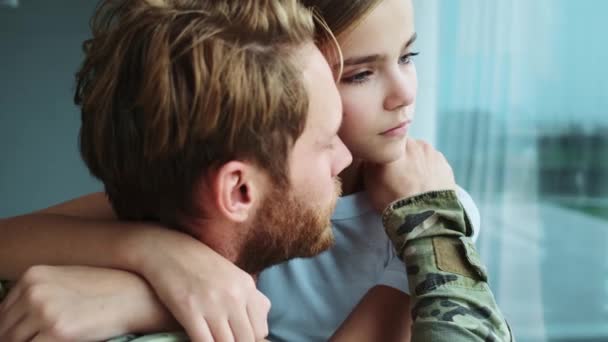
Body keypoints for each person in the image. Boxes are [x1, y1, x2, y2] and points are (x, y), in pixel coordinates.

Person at [0, 0, 513, 341]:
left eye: (410, 56)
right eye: (358, 74)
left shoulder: (426, 212)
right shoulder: (235, 198)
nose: (405, 92)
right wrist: (156, 254)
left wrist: (147, 296)